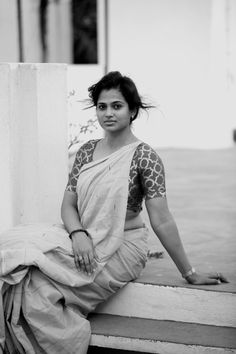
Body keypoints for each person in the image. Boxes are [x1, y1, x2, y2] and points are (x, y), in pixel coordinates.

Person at [0, 71, 228, 354]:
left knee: (37, 293)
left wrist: (189, 272)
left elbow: (162, 218)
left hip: (123, 245)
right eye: (102, 106)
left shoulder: (145, 157)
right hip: (80, 236)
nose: (108, 113)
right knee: (15, 260)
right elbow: (68, 205)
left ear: (132, 111)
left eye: (117, 106)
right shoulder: (86, 152)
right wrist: (79, 233)